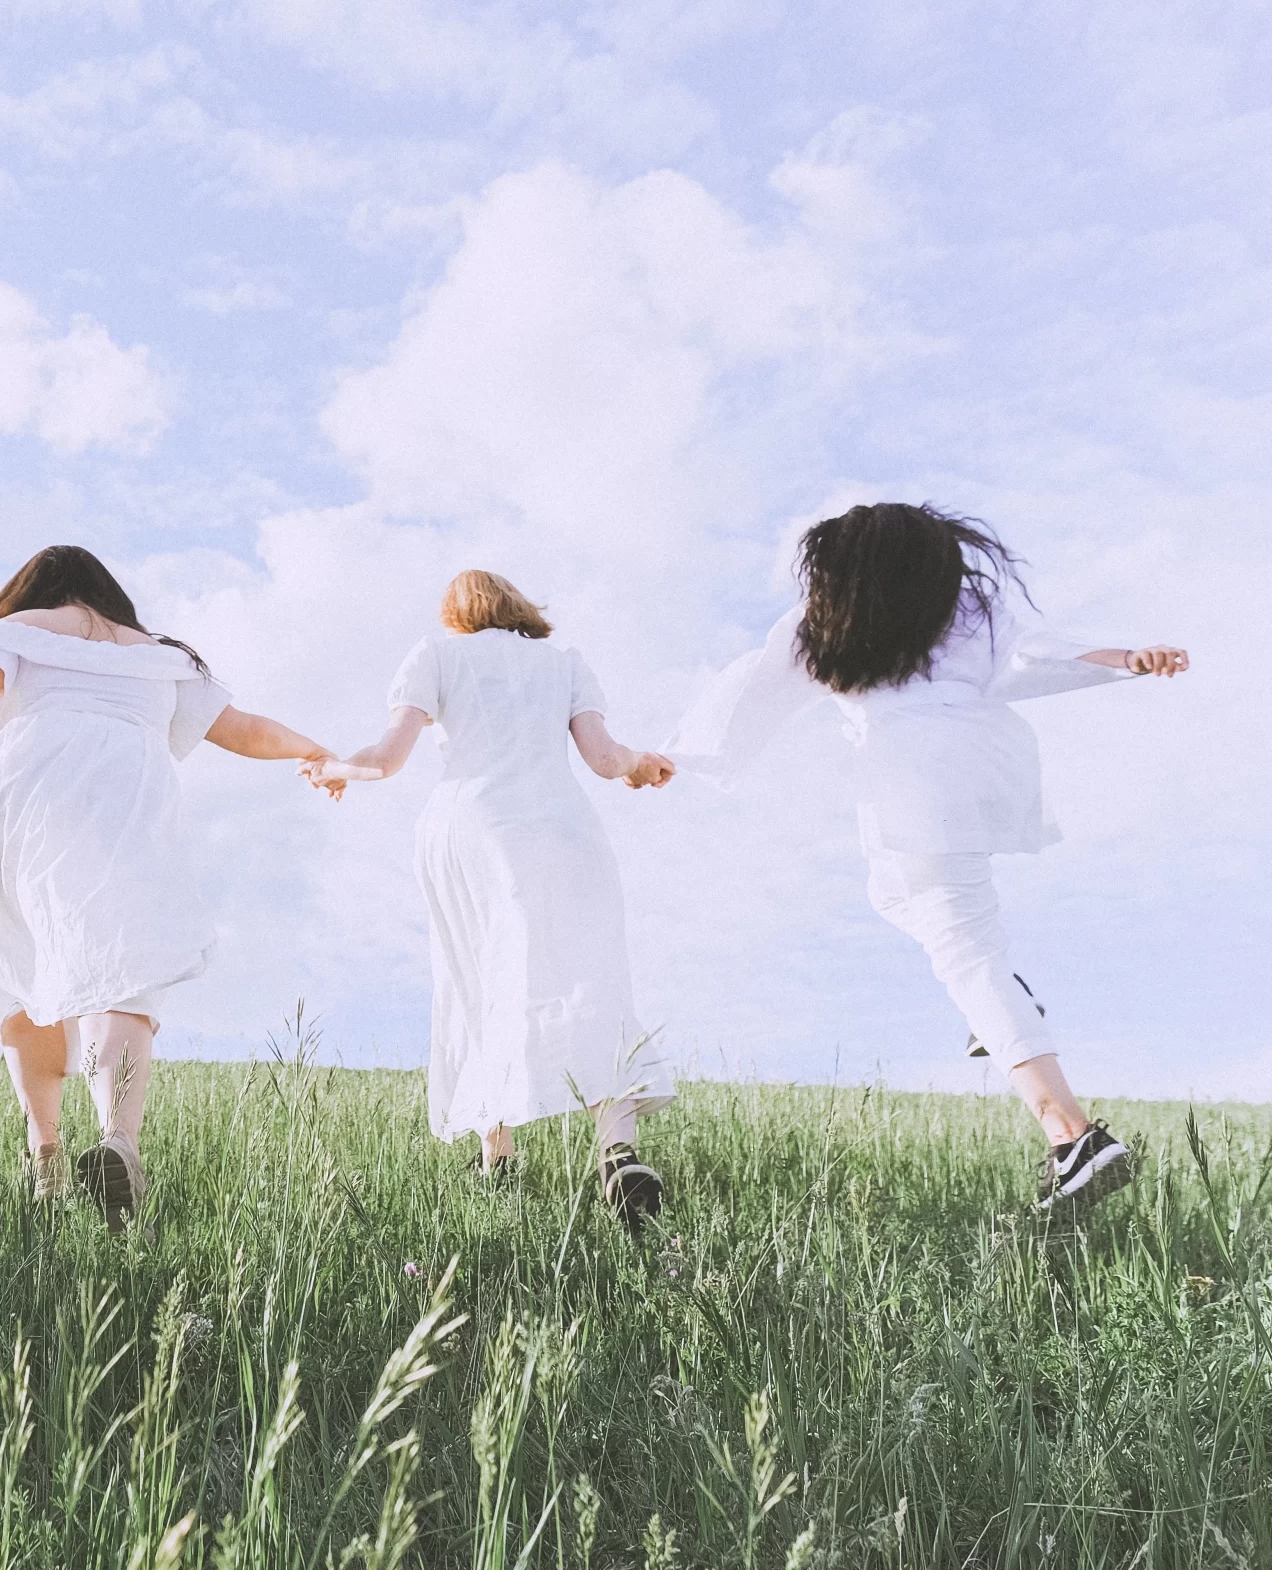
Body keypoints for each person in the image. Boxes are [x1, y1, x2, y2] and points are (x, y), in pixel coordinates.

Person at [668, 502, 1188, 1211]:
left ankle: (1072, 1137)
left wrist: (672, 757)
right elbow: (1036, 649)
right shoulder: (964, 610)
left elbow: (753, 686)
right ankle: (1005, 995)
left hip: (909, 783)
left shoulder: (826, 622)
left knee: (963, 950)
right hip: (981, 767)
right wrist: (1126, 658)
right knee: (901, 901)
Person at [0, 545, 337, 1233]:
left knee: (20, 969)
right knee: (120, 978)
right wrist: (318, 753)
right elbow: (246, 729)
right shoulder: (161, 657)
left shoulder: (20, 632)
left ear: (33, 591)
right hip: (131, 814)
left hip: (32, 809)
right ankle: (119, 1137)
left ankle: (45, 1150)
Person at [304, 571, 677, 1225]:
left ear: (456, 613)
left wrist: (332, 768)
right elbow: (606, 757)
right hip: (565, 826)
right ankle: (618, 1151)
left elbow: (387, 758)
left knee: (478, 976)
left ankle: (496, 1155)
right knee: (591, 975)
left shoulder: (438, 653)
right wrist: (644, 764)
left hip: (471, 825)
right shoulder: (563, 662)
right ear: (518, 608)